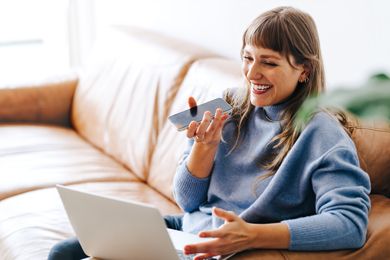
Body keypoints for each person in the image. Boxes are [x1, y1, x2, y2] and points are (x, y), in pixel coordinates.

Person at [48, 6, 370, 260]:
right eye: (247, 58)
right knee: (63, 252)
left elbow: (349, 223)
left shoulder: (322, 135)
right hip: (186, 228)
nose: (252, 73)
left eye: (268, 63)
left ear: (305, 70)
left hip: (216, 247)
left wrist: (254, 235)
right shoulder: (228, 103)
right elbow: (187, 201)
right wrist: (205, 147)